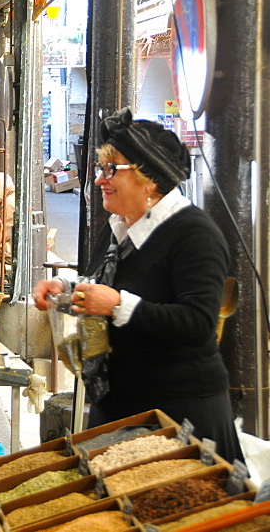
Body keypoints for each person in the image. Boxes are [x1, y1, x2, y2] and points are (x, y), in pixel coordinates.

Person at [33, 108, 242, 463]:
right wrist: (65, 290)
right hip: (119, 406)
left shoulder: (193, 233)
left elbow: (197, 323)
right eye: (101, 169)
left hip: (179, 416)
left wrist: (117, 305)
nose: (100, 180)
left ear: (151, 179)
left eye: (111, 170)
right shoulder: (118, 228)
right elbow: (102, 284)